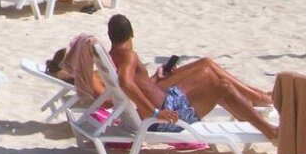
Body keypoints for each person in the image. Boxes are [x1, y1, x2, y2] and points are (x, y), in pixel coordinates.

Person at [106, 13, 274, 139]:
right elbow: (125, 83)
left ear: (110, 36)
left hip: (164, 101)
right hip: (167, 116)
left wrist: (156, 79)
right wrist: (156, 113)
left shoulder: (111, 56)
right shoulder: (128, 55)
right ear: (132, 33)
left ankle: (254, 103)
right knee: (222, 86)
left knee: (206, 68)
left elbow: (134, 84)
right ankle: (269, 130)